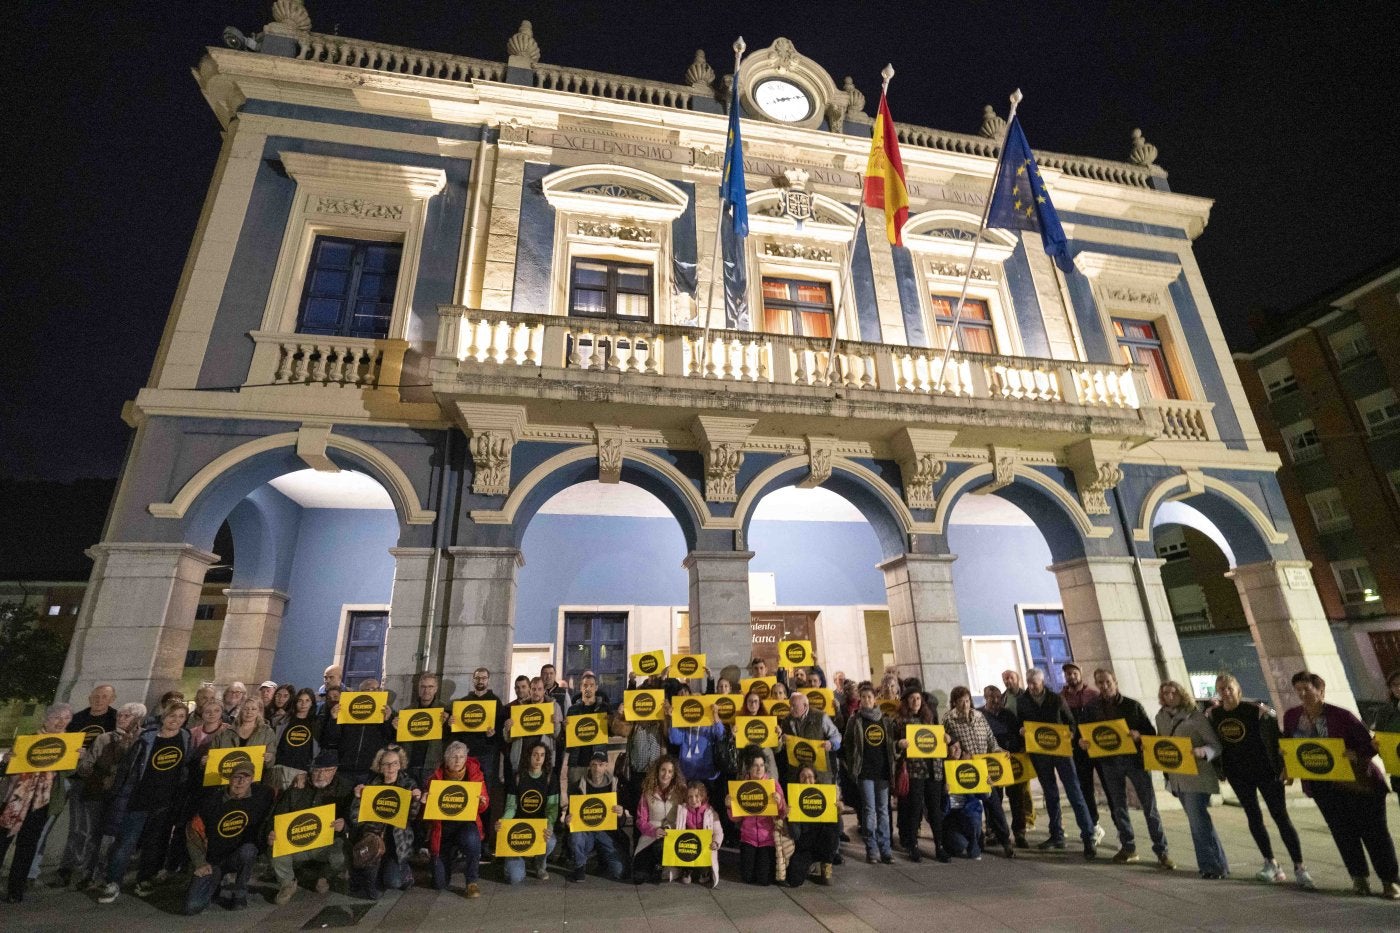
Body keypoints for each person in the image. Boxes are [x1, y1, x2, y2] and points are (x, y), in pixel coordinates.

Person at [1284, 670, 1398, 898]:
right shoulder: (1292, 717)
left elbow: (1371, 745)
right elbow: (1291, 746)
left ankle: (1390, 881)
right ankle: (1359, 878)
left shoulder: (1341, 715)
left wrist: (1356, 754)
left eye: (1307, 689)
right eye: (1298, 690)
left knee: (1375, 834)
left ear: (1321, 690)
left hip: (1359, 784)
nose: (1303, 694)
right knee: (1343, 834)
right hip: (1323, 787)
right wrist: (1288, 767)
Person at [1210, 672, 1310, 887]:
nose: (1225, 693)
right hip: (1238, 774)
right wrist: (1219, 769)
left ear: (1238, 690)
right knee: (1253, 817)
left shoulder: (1257, 711)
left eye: (1229, 688)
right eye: (1221, 689)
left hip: (1266, 771)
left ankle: (1299, 866)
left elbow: (1277, 739)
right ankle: (1271, 863)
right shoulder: (1214, 715)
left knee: (1280, 816)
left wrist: (1285, 767)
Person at [97, 701, 193, 903]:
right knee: (126, 842)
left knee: (154, 844)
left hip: (166, 801)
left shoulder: (185, 737)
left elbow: (184, 767)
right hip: (140, 798)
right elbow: (129, 768)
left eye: (181, 717)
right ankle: (113, 881)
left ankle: (144, 879)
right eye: (172, 716)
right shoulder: (147, 738)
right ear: (164, 717)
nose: (176, 720)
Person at [1078, 669, 1173, 869]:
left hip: (1134, 762)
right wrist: (1083, 743)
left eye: (1107, 682)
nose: (1104, 686)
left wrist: (1139, 735)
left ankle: (1162, 851)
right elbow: (1084, 733)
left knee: (1149, 806)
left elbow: (1150, 732)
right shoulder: (1092, 708)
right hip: (1109, 763)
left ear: (1115, 682)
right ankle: (1128, 847)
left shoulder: (1132, 706)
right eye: (1100, 683)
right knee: (1118, 806)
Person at [56, 702, 145, 890]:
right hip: (99, 792)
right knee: (89, 833)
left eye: (127, 716)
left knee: (112, 838)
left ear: (137, 719)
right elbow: (86, 766)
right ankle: (83, 873)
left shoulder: (143, 740)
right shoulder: (104, 738)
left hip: (123, 797)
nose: (121, 719)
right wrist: (86, 764)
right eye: (120, 715)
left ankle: (103, 874)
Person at [0, 704, 75, 904]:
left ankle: (15, 890)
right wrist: (7, 760)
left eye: (66, 718)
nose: (61, 722)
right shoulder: (28, 739)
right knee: (1, 842)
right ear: (46, 719)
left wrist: (76, 759)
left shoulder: (68, 745)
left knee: (27, 847)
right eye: (56, 717)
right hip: (14, 801)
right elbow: (7, 769)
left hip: (41, 804)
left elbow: (70, 774)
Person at [1019, 668, 1096, 858]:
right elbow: (1021, 723)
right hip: (1040, 754)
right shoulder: (1023, 701)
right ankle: (1056, 835)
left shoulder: (1056, 699)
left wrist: (1070, 734)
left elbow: (1071, 722)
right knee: (1050, 794)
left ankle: (1088, 837)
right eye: (1029, 684)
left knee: (1074, 792)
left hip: (1061, 752)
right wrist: (1022, 731)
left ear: (1042, 682)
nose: (1031, 687)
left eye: (1034, 684)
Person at [1155, 680, 1227, 880]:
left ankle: (1210, 866)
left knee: (1198, 823)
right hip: (1177, 778)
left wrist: (1201, 751)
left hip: (1197, 777)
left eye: (1173, 693)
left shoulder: (1195, 717)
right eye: (1165, 693)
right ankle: (1218, 864)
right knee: (1200, 822)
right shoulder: (1160, 717)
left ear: (1181, 694)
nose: (1169, 697)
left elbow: (1215, 745)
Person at [182, 760, 273, 914]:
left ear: (252, 780)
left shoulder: (263, 795)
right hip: (213, 861)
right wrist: (199, 862)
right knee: (192, 907)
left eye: (246, 777)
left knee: (249, 850)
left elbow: (279, 807)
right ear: (229, 779)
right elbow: (192, 832)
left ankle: (239, 894)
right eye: (237, 777)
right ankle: (215, 884)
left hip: (237, 856)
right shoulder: (212, 801)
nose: (241, 782)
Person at [271, 749, 352, 903]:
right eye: (316, 770)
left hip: (324, 845)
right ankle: (287, 883)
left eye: (326, 771)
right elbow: (278, 815)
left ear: (334, 770)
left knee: (341, 853)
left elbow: (353, 820)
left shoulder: (345, 789)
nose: (320, 775)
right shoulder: (298, 786)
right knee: (275, 846)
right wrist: (272, 833)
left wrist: (344, 826)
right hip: (297, 843)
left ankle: (324, 876)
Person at [944, 685, 1015, 859]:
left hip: (984, 768)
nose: (965, 704)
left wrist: (999, 751)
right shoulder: (948, 719)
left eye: (967, 700)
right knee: (971, 809)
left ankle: (1005, 841)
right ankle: (976, 840)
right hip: (965, 770)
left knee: (994, 805)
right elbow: (947, 744)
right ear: (954, 702)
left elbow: (990, 739)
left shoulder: (979, 716)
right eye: (961, 701)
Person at [348, 745, 422, 900]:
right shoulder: (371, 785)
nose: (390, 768)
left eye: (395, 763)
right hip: (374, 838)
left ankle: (405, 870)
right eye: (386, 764)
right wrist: (357, 798)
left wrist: (415, 800)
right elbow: (355, 819)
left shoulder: (408, 784)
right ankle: (375, 872)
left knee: (392, 882)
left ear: (400, 765)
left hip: (397, 840)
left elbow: (412, 816)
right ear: (379, 767)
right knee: (373, 891)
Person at [425, 740, 487, 898]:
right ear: (446, 759)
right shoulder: (435, 778)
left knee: (472, 839)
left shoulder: (475, 775)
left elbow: (484, 807)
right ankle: (450, 857)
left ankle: (471, 881)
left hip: (465, 827)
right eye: (454, 757)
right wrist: (425, 802)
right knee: (439, 884)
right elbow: (426, 815)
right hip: (443, 832)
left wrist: (481, 802)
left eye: (461, 756)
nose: (458, 760)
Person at [845, 683, 896, 865]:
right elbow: (848, 744)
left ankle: (886, 849)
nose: (866, 700)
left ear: (875, 699)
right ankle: (872, 849)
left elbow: (890, 745)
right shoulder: (855, 720)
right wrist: (853, 766)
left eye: (869, 697)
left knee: (883, 810)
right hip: (865, 772)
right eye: (863, 697)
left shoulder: (885, 720)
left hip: (882, 771)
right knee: (869, 810)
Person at [894, 688, 946, 862]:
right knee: (914, 808)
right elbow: (892, 744)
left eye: (918, 698)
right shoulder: (900, 721)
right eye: (912, 698)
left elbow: (940, 738)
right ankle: (913, 845)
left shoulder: (930, 718)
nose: (916, 701)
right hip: (914, 770)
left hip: (932, 769)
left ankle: (939, 846)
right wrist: (899, 744)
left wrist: (946, 739)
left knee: (935, 809)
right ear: (906, 701)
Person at [727, 746, 788, 885]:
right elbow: (735, 818)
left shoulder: (772, 785)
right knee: (747, 878)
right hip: (748, 838)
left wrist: (779, 803)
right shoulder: (742, 785)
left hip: (768, 838)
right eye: (755, 765)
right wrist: (729, 806)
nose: (759, 769)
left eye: (761, 765)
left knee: (764, 880)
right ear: (749, 768)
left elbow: (783, 813)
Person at [1060, 662, 1105, 848]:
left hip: (1096, 746)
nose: (1071, 676)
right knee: (1085, 788)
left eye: (1074, 673)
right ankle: (1093, 824)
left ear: (1080, 674)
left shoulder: (1093, 695)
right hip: (1076, 749)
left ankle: (1121, 830)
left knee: (1108, 787)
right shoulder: (1061, 697)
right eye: (1068, 674)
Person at [502, 741, 558, 884]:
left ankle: (540, 864)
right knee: (514, 878)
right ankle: (517, 859)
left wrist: (549, 826)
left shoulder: (550, 778)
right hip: (519, 828)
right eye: (535, 755)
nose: (538, 759)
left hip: (539, 827)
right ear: (529, 757)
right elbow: (511, 806)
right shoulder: (517, 777)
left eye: (542, 755)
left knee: (550, 841)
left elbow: (552, 808)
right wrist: (503, 823)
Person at [567, 750, 626, 883]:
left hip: (607, 833)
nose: (597, 768)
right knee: (575, 837)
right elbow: (570, 814)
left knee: (619, 872)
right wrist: (568, 820)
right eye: (594, 764)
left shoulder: (615, 785)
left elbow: (621, 822)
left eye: (600, 765)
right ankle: (580, 866)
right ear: (589, 766)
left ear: (606, 766)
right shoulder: (579, 785)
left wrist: (621, 814)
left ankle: (600, 857)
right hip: (586, 832)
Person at [321, 679, 394, 787]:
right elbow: (331, 740)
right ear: (359, 692)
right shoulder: (347, 709)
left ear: (380, 691)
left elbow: (392, 741)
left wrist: (387, 721)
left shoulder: (389, 713)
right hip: (344, 770)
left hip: (371, 772)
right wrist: (334, 720)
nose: (371, 692)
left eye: (374, 689)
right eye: (366, 689)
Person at [981, 685, 1027, 848]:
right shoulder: (980, 715)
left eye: (998, 697)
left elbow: (1018, 734)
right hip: (992, 762)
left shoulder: (1008, 714)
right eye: (991, 697)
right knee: (993, 799)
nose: (995, 701)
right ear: (985, 698)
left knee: (1016, 798)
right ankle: (993, 831)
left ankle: (1020, 832)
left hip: (1011, 759)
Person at [632, 754, 685, 884]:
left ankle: (661, 867)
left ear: (674, 774)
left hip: (671, 835)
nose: (666, 774)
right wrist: (653, 831)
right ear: (657, 771)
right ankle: (653, 867)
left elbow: (687, 814)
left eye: (670, 771)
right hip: (650, 835)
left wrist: (672, 829)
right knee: (639, 877)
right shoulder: (647, 792)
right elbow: (640, 820)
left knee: (660, 847)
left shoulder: (681, 791)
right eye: (663, 770)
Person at [567, 673, 614, 787]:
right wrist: (565, 728)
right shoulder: (572, 709)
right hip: (577, 761)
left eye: (591, 685)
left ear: (596, 687)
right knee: (575, 797)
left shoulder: (604, 708)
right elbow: (567, 738)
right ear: (580, 687)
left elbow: (612, 733)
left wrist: (612, 721)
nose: (588, 688)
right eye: (585, 685)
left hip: (598, 762)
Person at [1370, 669, 1400, 808]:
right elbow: (1380, 739)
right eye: (1394, 685)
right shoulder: (1385, 712)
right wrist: (1376, 745)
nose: (1398, 688)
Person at [69, 685, 118, 750]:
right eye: (96, 697)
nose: (99, 700)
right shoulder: (75, 719)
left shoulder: (117, 719)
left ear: (112, 700)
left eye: (104, 697)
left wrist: (88, 754)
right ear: (89, 699)